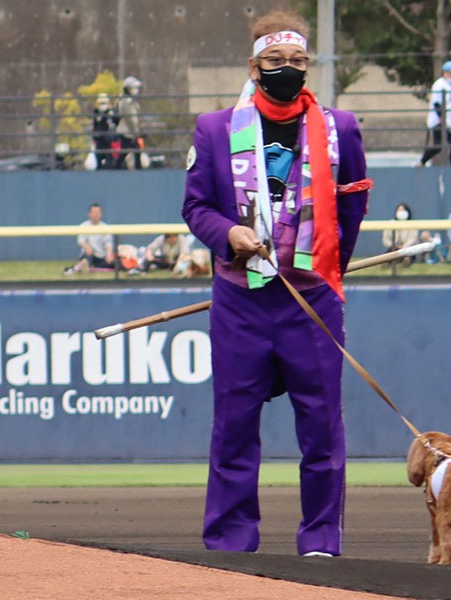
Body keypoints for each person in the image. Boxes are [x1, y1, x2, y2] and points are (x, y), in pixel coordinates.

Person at [182, 10, 370, 557]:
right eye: (275, 61)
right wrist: (230, 232)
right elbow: (195, 207)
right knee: (234, 426)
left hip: (311, 300)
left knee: (321, 429)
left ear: (307, 65)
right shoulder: (215, 129)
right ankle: (231, 539)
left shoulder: (342, 129)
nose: (287, 69)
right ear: (254, 64)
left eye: (297, 61)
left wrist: (326, 265)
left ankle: (321, 539)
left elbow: (354, 206)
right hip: (241, 301)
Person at [419, 61, 451, 166]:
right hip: (440, 121)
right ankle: (422, 161)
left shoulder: (449, 86)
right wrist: (441, 117)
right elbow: (436, 103)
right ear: (446, 73)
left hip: (450, 123)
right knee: (439, 145)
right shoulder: (439, 85)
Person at [63, 203, 116, 274]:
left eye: (98, 212)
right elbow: (81, 240)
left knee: (113, 264)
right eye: (94, 212)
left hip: (100, 256)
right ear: (89, 214)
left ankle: (90, 267)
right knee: (86, 258)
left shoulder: (105, 227)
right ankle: (83, 266)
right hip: (88, 255)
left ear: (101, 214)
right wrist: (87, 248)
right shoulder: (84, 226)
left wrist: (109, 255)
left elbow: (108, 243)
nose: (96, 214)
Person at [116, 76, 143, 170]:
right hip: (127, 132)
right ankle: (116, 167)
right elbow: (130, 119)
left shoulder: (131, 101)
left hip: (130, 132)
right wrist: (135, 132)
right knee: (130, 150)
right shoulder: (125, 101)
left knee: (130, 150)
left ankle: (117, 167)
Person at [92, 93, 120, 170]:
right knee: (99, 157)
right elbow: (96, 124)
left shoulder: (111, 111)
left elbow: (116, 122)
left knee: (109, 157)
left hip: (109, 138)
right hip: (99, 138)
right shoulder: (96, 112)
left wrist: (112, 116)